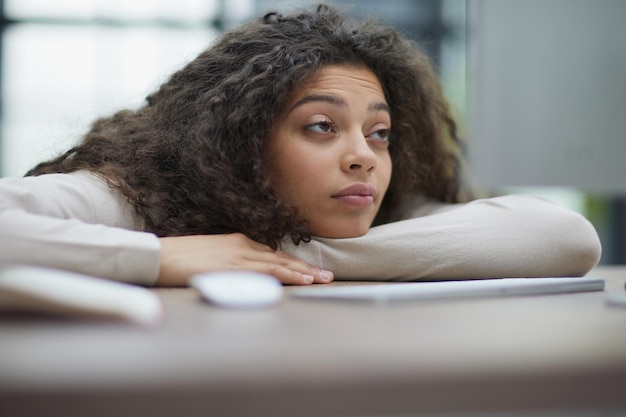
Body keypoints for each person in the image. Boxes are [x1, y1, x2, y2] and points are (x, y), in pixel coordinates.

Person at [0, 4, 601, 287]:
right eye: (321, 126)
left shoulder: (370, 211)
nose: (363, 154)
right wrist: (163, 258)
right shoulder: (133, 198)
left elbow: (563, 236)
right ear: (238, 142)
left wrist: (285, 258)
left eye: (380, 133)